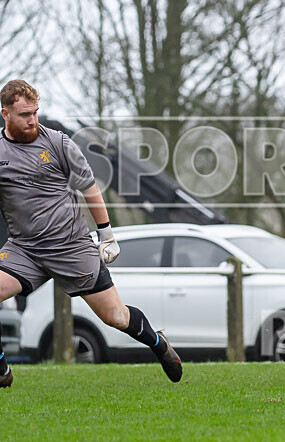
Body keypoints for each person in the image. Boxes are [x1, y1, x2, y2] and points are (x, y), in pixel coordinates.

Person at [0, 80, 182, 388]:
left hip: (72, 247)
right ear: (5, 114)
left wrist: (106, 234)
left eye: (35, 112)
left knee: (116, 318)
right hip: (25, 249)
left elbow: (89, 188)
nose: (32, 120)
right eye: (24, 115)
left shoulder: (58, 143)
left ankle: (158, 344)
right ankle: (3, 370)